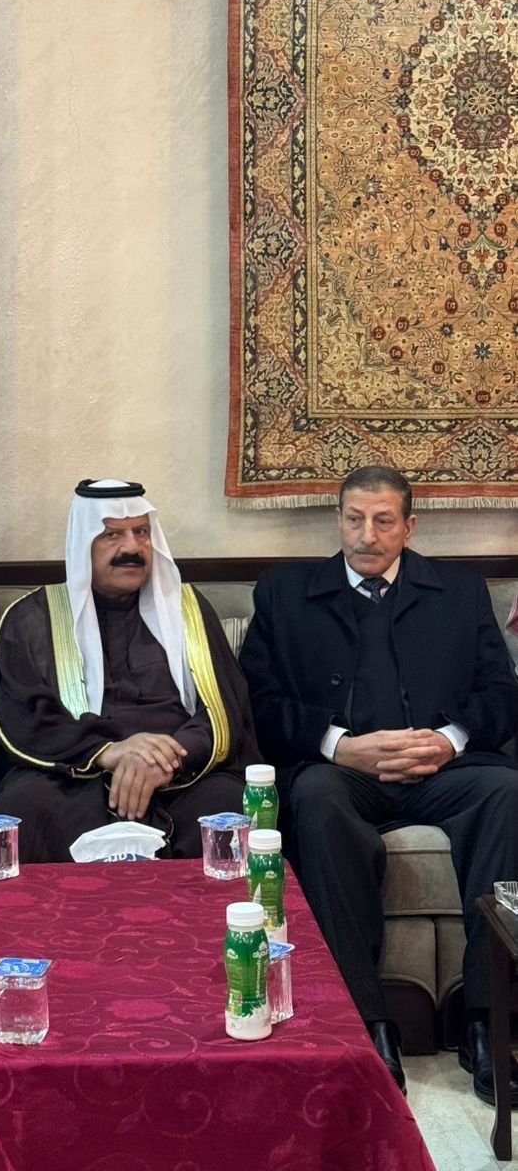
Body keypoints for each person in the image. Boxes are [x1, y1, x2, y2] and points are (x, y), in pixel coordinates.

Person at [240, 464, 518, 1102]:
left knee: (507, 792)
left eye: (383, 521)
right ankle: (367, 1023)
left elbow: (501, 694)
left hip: (442, 769)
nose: (367, 535)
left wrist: (448, 740)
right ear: (337, 521)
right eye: (354, 519)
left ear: (409, 527)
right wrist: (340, 746)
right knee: (314, 799)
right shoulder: (284, 592)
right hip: (342, 772)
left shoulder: (459, 590)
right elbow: (259, 701)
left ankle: (487, 1019)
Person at [0, 478, 260, 859]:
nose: (131, 548)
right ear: (84, 544)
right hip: (77, 773)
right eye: (112, 535)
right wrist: (107, 751)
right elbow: (24, 715)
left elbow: (224, 706)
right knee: (22, 807)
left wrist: (168, 758)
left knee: (228, 807)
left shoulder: (189, 609)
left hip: (181, 776)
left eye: (141, 532)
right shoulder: (34, 617)